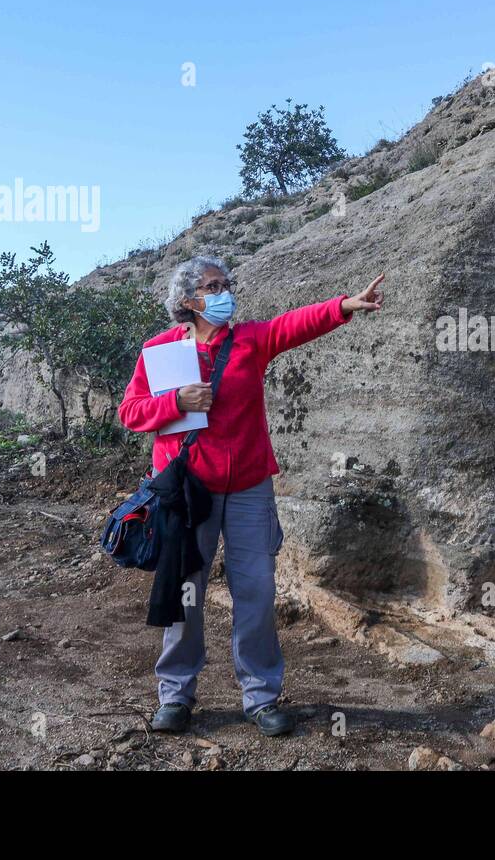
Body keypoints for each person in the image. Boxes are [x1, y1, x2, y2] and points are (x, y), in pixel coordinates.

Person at [118, 255, 383, 736]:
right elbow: (131, 412)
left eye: (226, 284)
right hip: (187, 494)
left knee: (257, 593)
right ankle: (175, 696)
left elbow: (293, 325)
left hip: (248, 490)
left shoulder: (249, 340)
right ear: (188, 301)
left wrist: (345, 305)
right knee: (188, 594)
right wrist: (175, 402)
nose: (225, 293)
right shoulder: (158, 351)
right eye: (214, 286)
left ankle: (261, 698)